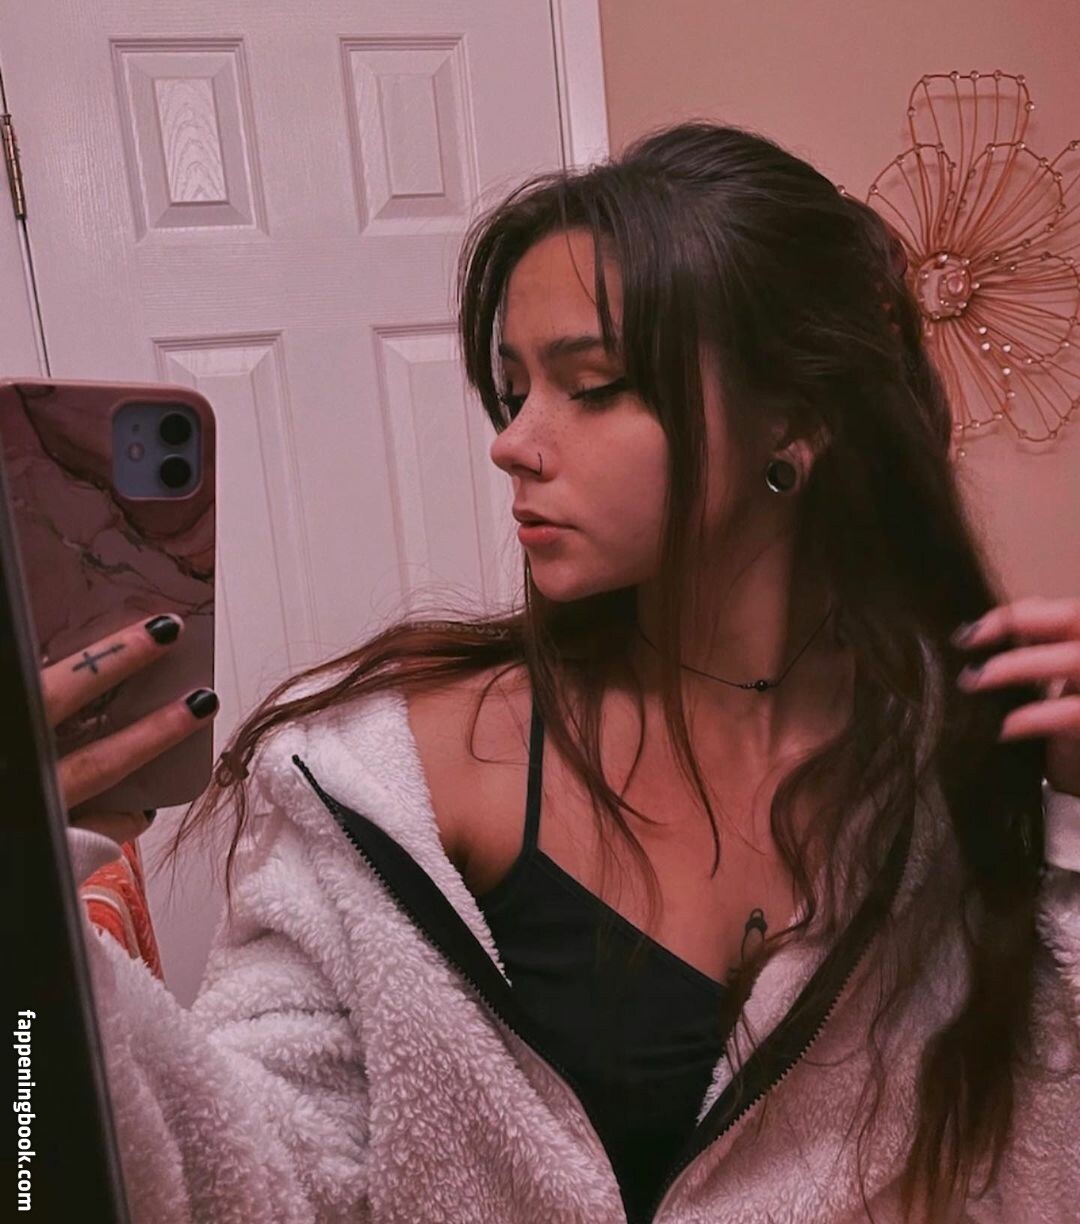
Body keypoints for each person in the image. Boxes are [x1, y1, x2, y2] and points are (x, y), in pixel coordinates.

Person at [63, 122, 1079, 1223]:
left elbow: (1036, 1155)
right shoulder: (384, 779)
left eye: (592, 386)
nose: (513, 441)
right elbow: (234, 1177)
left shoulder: (951, 767)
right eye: (514, 390)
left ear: (793, 422)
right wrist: (25, 920)